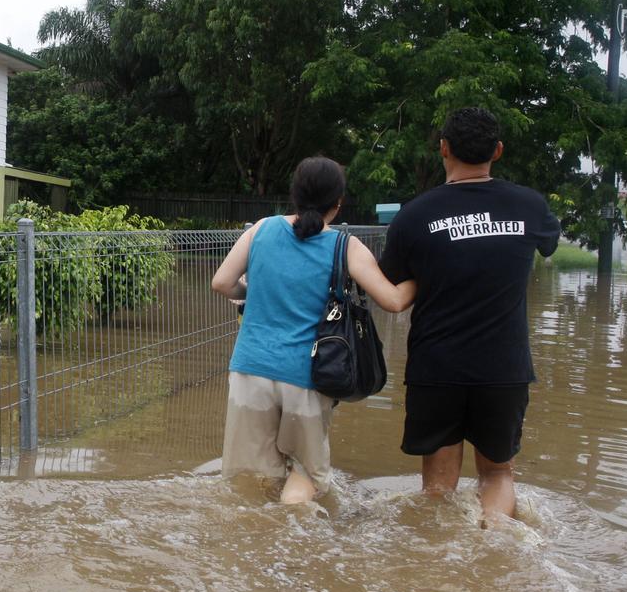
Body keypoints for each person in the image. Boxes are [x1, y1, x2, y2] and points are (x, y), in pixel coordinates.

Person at [377, 107, 560, 523]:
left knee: (438, 489)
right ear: (497, 150)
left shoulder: (414, 216)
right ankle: (497, 540)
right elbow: (546, 246)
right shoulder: (530, 206)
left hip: (436, 366)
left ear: (443, 148)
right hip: (505, 367)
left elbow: (394, 284)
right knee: (497, 473)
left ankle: (444, 563)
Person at [212, 156, 415, 503]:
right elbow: (393, 301)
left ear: (294, 194)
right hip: (306, 377)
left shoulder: (260, 229)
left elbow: (222, 283)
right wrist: (425, 274)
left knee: (254, 480)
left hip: (249, 371)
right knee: (307, 475)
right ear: (337, 203)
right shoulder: (345, 246)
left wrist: (253, 295)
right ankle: (295, 539)